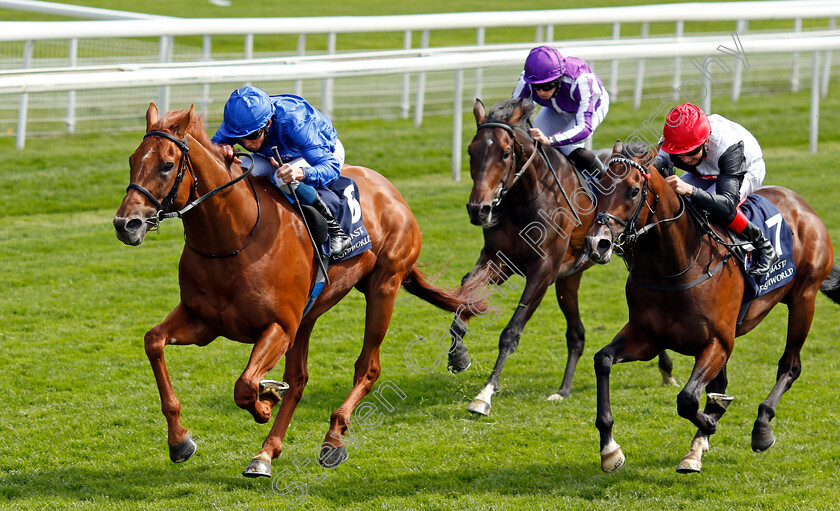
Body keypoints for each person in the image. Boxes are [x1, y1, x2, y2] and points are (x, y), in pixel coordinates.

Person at [212, 85, 351, 256]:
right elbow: (212, 147)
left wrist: (302, 173)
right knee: (239, 171)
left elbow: (330, 168)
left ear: (268, 123)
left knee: (281, 177)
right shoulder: (240, 122)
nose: (247, 144)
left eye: (253, 136)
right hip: (273, 154)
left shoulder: (295, 122)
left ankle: (335, 230)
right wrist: (221, 148)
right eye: (239, 138)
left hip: (321, 153)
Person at [653, 103, 778, 276]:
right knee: (679, 204)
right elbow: (648, 171)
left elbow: (726, 204)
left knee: (712, 208)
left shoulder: (729, 147)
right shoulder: (673, 143)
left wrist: (690, 190)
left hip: (745, 168)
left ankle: (763, 245)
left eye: (691, 152)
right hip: (705, 171)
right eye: (679, 155)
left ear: (705, 142)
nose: (685, 159)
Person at [513, 45, 610, 178]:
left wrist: (550, 140)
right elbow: (514, 115)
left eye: (547, 86)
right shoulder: (527, 80)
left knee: (569, 148)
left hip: (592, 106)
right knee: (530, 143)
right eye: (537, 87)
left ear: (558, 79)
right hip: (557, 108)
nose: (541, 92)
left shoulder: (581, 80)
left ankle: (609, 181)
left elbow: (584, 128)